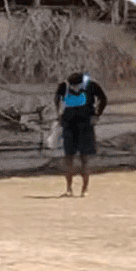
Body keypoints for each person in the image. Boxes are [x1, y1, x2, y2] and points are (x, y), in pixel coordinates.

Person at [53, 67, 108, 196]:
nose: (75, 89)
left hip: (85, 126)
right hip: (69, 125)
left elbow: (103, 99)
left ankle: (85, 189)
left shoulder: (91, 86)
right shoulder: (64, 86)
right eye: (72, 86)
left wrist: (97, 115)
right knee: (68, 157)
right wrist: (58, 114)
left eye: (76, 86)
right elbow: (56, 98)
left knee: (84, 158)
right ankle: (68, 188)